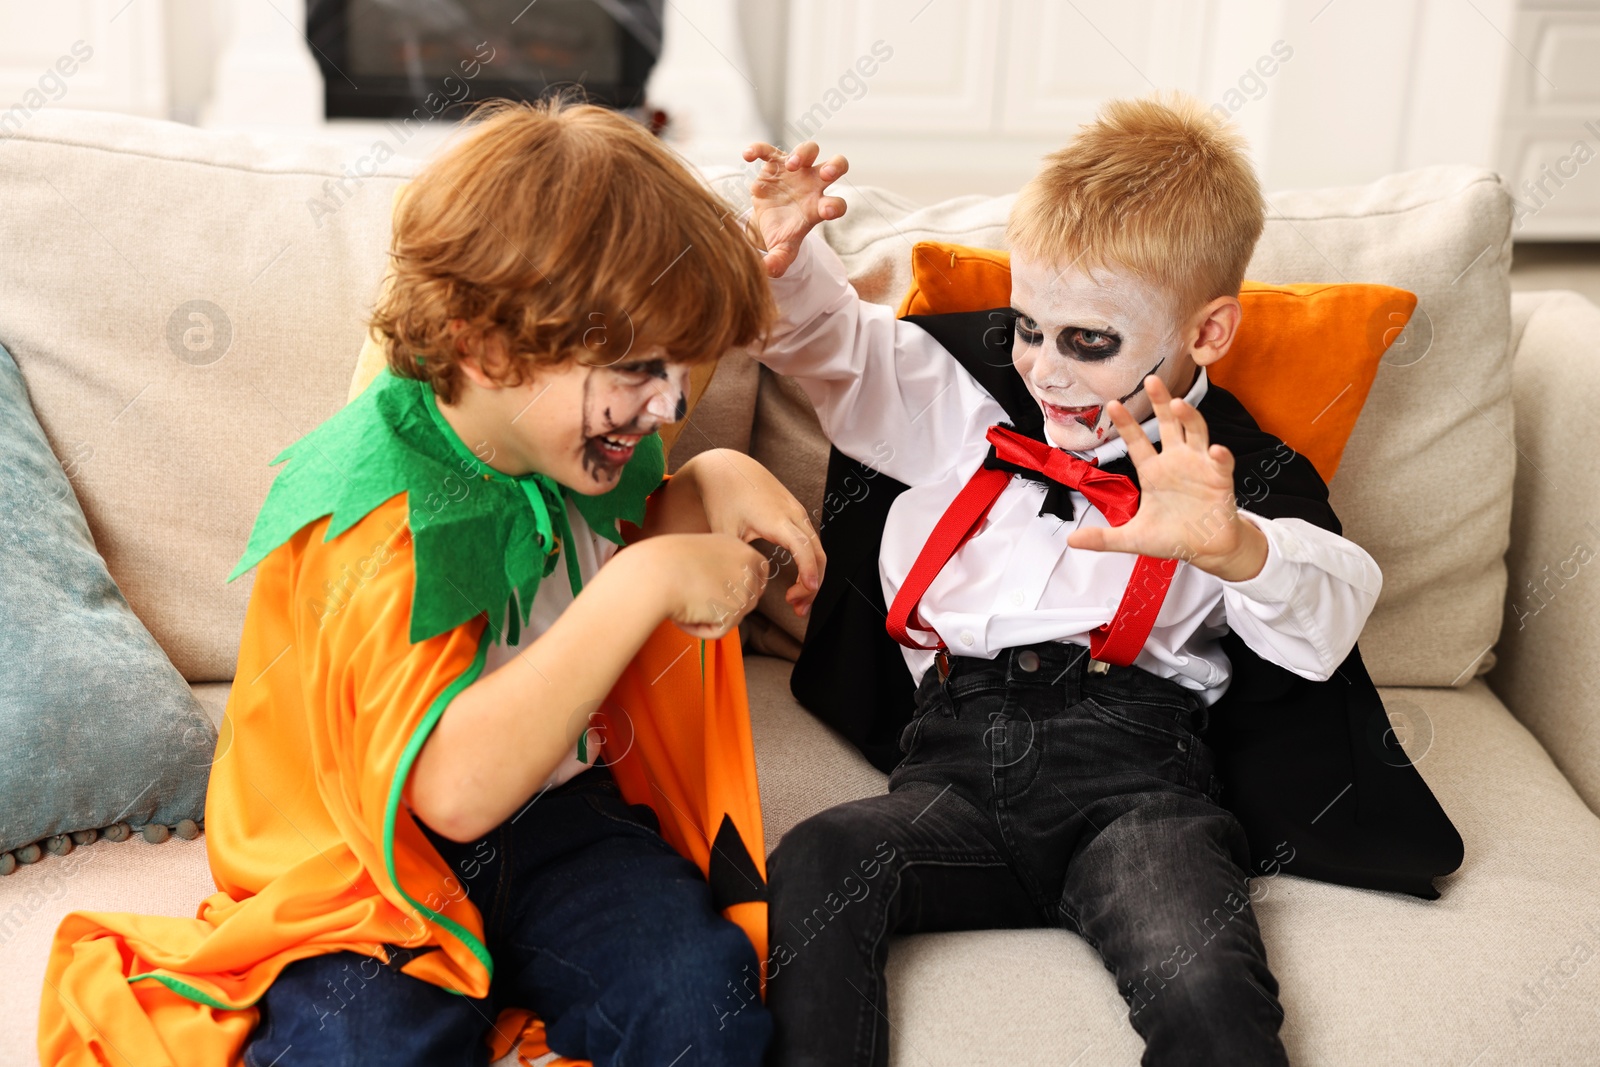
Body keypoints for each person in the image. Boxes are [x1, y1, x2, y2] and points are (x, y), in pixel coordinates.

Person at [40, 97, 824, 1067]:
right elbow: (451, 793)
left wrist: (711, 475)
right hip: (365, 857)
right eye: (635, 369)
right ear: (488, 347)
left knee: (696, 1002)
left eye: (675, 370)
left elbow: (625, 503)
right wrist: (650, 580)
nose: (666, 402)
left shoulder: (567, 426)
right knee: (361, 1046)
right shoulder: (381, 518)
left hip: (558, 816)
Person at [741, 92, 1458, 1067]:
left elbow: (1327, 608)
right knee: (816, 861)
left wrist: (1231, 543)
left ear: (1205, 332)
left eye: (1089, 342)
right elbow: (844, 354)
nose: (1047, 370)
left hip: (1138, 791)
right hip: (948, 771)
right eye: (1032, 325)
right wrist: (789, 262)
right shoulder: (970, 398)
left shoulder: (1234, 470)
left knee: (1207, 984)